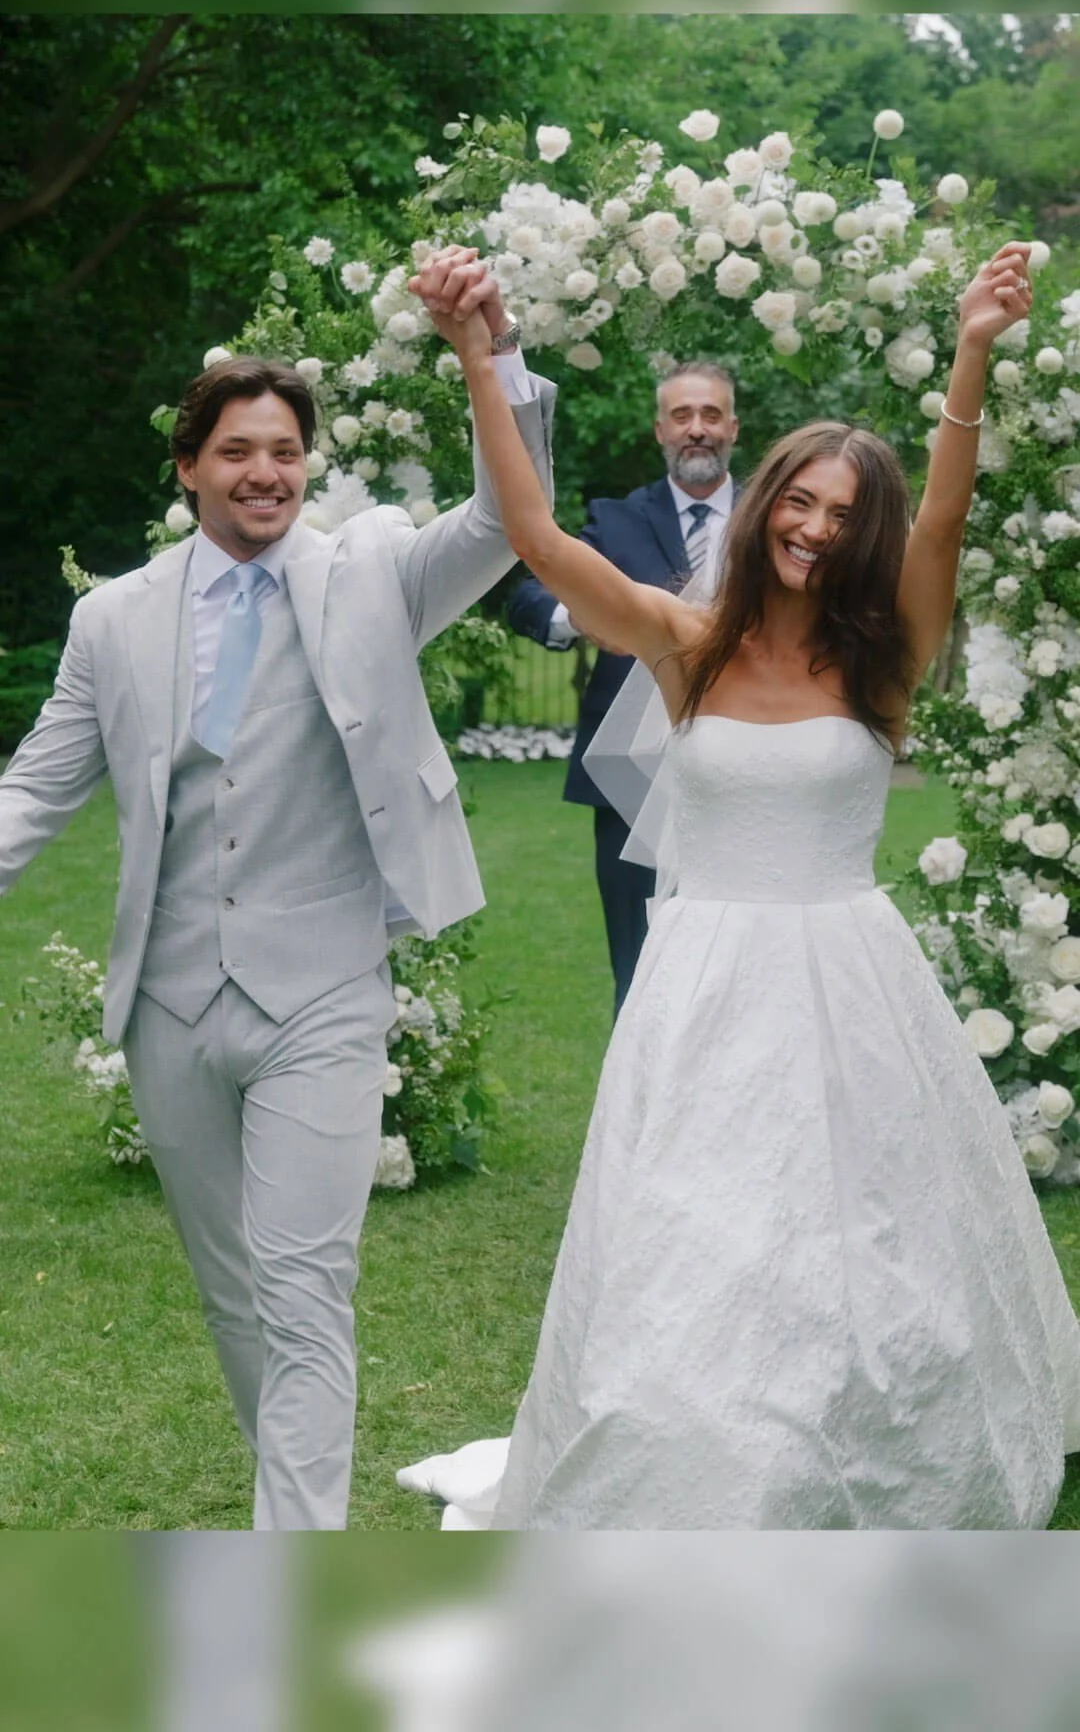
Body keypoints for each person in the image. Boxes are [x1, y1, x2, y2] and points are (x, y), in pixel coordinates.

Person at [402, 239, 1080, 1528]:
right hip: (705, 983)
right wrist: (480, 363)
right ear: (766, 502)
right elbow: (537, 538)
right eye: (800, 504)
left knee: (869, 1240)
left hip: (851, 984)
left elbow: (944, 518)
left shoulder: (885, 660)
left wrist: (973, 350)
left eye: (842, 515)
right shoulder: (686, 643)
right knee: (699, 1230)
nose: (817, 529)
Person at [0, 282, 554, 1529]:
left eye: (287, 452)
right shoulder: (113, 620)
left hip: (323, 992)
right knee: (238, 1297)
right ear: (190, 467)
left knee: (307, 1290)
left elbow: (509, 519)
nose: (266, 473)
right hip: (171, 1006)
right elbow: (33, 793)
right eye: (238, 452)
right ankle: (290, 1500)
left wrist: (492, 357)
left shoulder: (375, 576)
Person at [506, 363, 740, 1013]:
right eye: (683, 416)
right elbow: (527, 593)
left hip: (747, 769)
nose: (698, 429)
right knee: (637, 969)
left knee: (741, 963)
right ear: (660, 429)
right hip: (631, 776)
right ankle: (638, 1108)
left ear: (733, 428)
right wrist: (577, 619)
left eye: (712, 415)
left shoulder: (774, 519)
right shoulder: (614, 521)